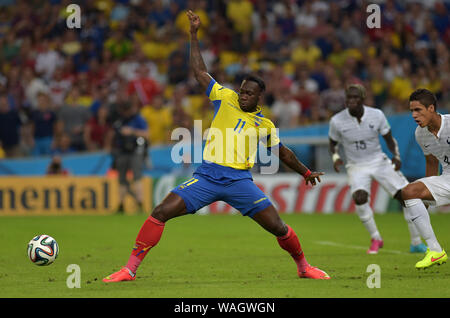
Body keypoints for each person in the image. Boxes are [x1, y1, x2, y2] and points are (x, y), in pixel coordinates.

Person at [103, 10, 330, 283]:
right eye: (242, 90)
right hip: (207, 176)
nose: (243, 95)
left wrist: (306, 173)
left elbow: (282, 153)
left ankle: (304, 267)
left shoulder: (264, 124)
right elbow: (199, 71)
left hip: (239, 181)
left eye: (249, 93)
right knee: (160, 211)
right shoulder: (225, 97)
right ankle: (129, 270)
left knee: (278, 227)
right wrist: (194, 34)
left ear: (260, 97)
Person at [328, 84, 427, 254]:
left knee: (407, 197)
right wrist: (336, 158)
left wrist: (396, 156)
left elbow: (388, 138)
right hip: (356, 166)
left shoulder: (376, 115)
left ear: (363, 99)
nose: (351, 101)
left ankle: (416, 242)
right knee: (359, 198)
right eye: (348, 98)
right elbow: (332, 143)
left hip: (379, 161)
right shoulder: (337, 120)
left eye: (355, 97)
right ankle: (376, 238)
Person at [401, 88, 448, 269]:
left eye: (418, 110)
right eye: (411, 110)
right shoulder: (420, 134)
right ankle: (435, 250)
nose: (414, 115)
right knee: (409, 192)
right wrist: (426, 193)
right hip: (447, 179)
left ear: (431, 108)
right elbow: (431, 162)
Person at [105, 96, 149, 214]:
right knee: (122, 178)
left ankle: (140, 203)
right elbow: (112, 133)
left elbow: (146, 134)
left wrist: (132, 131)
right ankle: (121, 204)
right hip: (122, 151)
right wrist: (109, 147)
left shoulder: (138, 119)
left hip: (135, 151)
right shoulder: (119, 120)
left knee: (137, 177)